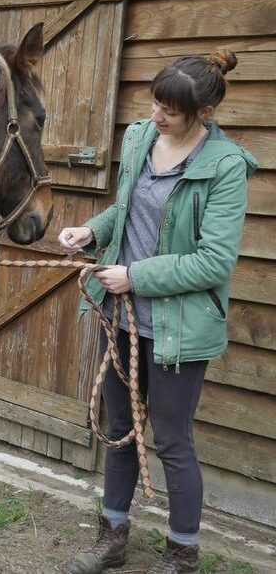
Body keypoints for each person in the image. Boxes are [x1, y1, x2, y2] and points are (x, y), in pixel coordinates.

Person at [58, 51, 257, 574]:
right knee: (120, 430)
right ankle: (112, 538)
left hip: (179, 329)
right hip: (120, 318)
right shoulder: (141, 139)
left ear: (205, 111)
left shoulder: (226, 166)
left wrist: (137, 276)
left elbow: (215, 261)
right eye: (155, 101)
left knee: (171, 441)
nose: (156, 115)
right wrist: (93, 230)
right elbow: (126, 208)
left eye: (170, 109)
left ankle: (182, 554)